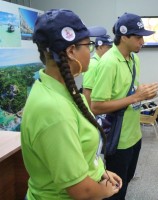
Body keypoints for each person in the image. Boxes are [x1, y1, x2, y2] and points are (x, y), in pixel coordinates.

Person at [21, 9, 122, 199]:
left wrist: (100, 172)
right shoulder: (53, 110)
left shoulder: (63, 90)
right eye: (88, 45)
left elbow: (80, 152)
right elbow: (81, 191)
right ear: (71, 51)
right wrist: (105, 190)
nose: (90, 51)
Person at [90, 12, 158, 200]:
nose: (142, 42)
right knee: (115, 189)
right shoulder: (108, 63)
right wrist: (136, 97)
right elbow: (96, 106)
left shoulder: (133, 58)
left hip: (134, 135)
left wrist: (143, 93)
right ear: (124, 36)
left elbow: (128, 92)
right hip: (118, 139)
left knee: (126, 180)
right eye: (138, 38)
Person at [82, 34, 113, 107]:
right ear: (100, 47)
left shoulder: (104, 62)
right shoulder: (93, 64)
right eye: (108, 47)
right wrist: (90, 114)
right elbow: (87, 91)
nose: (111, 50)